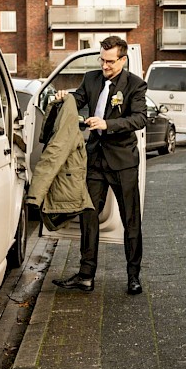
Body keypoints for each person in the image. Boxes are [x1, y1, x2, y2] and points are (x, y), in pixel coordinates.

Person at [52, 36, 148, 295]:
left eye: (110, 61)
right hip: (95, 159)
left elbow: (139, 119)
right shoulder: (91, 79)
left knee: (131, 219)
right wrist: (64, 98)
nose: (104, 66)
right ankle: (85, 275)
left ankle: (133, 276)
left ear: (123, 60)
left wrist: (108, 124)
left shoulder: (135, 86)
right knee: (88, 216)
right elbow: (78, 101)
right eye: (102, 60)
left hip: (123, 162)